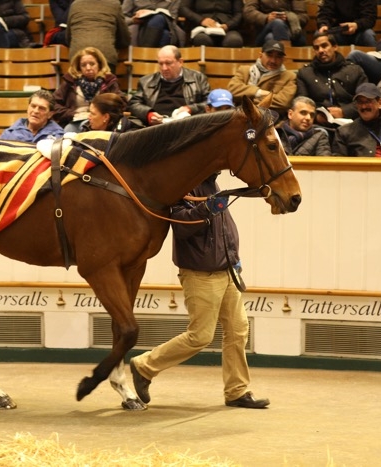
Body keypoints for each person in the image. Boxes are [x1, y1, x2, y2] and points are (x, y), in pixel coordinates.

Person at [129, 106, 270, 408]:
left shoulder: (209, 180)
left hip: (225, 268)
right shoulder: (179, 183)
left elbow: (220, 225)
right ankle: (144, 366)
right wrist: (209, 208)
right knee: (200, 336)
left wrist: (233, 257)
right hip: (201, 273)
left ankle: (237, 391)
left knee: (237, 330)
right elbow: (180, 227)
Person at [128, 45, 210, 127]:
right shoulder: (146, 82)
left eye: (168, 63)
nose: (164, 68)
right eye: (161, 64)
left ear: (180, 62)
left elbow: (209, 103)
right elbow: (134, 104)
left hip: (187, 126)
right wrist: (148, 115)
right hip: (155, 128)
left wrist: (190, 109)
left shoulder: (198, 78)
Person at [296, 32, 368, 125]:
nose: (320, 50)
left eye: (324, 46)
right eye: (316, 48)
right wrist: (316, 116)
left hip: (353, 122)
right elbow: (302, 102)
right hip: (317, 125)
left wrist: (344, 111)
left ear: (335, 47)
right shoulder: (305, 73)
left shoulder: (354, 70)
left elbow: (365, 100)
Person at [52, 47, 124, 132]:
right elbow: (54, 104)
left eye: (92, 64)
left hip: (101, 123)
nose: (88, 68)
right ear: (79, 67)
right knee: (70, 130)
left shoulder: (109, 81)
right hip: (74, 121)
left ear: (99, 65)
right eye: (83, 65)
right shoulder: (70, 81)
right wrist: (73, 114)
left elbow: (120, 103)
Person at [227, 40, 296, 118]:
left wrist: (248, 97)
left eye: (278, 57)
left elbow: (284, 102)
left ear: (283, 59)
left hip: (270, 119)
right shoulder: (244, 70)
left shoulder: (289, 77)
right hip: (240, 117)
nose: (273, 60)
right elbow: (232, 89)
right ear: (260, 55)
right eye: (269, 55)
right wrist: (259, 92)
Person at [332, 82, 381, 156]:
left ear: (380, 103)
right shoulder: (344, 133)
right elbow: (338, 164)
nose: (363, 107)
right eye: (360, 102)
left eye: (368, 101)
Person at [66, 0, 130, 73]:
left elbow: (68, 37)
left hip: (78, 57)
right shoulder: (114, 4)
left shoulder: (75, 5)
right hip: (105, 55)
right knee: (107, 84)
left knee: (78, 84)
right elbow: (125, 39)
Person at [0, 89, 64, 143]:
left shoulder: (59, 137)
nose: (36, 111)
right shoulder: (9, 134)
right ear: (28, 108)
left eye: (41, 108)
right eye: (33, 106)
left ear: (50, 114)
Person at [242, 0, 308, 47]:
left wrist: (287, 17)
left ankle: (282, 55)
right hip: (263, 31)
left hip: (291, 32)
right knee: (277, 22)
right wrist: (266, 18)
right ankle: (286, 57)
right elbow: (248, 12)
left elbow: (303, 17)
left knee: (270, 38)